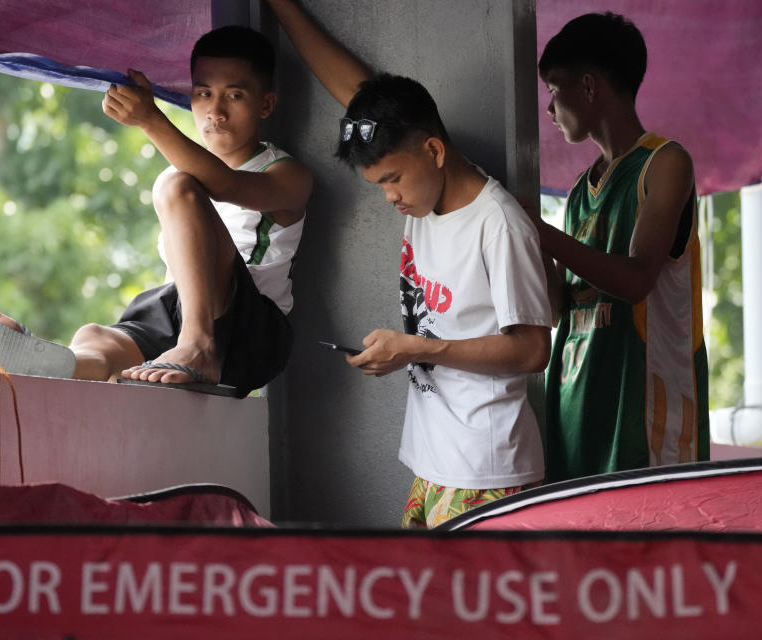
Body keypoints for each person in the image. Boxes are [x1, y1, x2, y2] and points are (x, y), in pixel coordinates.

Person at [266, 0, 552, 528]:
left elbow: (535, 349)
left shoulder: (498, 224)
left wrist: (418, 349)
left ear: (435, 150)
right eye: (379, 185)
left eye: (393, 179)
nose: (389, 198)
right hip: (433, 460)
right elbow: (361, 99)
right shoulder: (420, 177)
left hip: (486, 470)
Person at [0, 25, 313, 398]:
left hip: (252, 333)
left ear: (265, 104)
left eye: (234, 95)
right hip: (178, 310)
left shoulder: (285, 174)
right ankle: (56, 364)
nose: (215, 111)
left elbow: (226, 184)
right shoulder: (178, 176)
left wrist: (151, 120)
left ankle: (199, 345)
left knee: (177, 185)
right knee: (95, 339)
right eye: (203, 93)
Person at [533, 12, 710, 480]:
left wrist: (540, 232)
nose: (549, 109)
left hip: (643, 422)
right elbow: (560, 312)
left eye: (554, 89)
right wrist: (524, 240)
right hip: (576, 415)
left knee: (647, 552)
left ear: (588, 86)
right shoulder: (576, 192)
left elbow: (634, 281)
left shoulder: (666, 163)